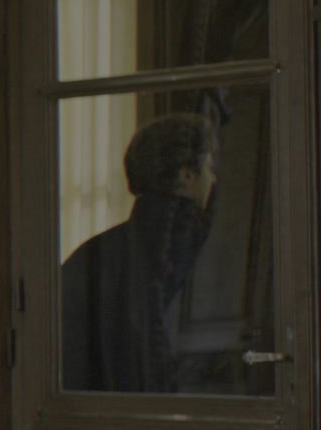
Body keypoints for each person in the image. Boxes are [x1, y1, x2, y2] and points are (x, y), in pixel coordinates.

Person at [59, 114, 218, 393]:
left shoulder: (88, 256)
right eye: (208, 168)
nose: (213, 179)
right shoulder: (207, 256)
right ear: (187, 176)